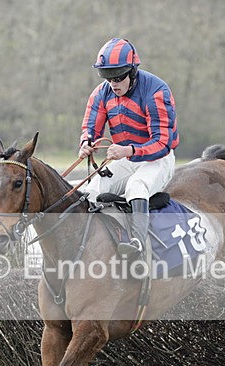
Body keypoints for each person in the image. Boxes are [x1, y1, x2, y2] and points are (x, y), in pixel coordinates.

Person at [78, 37, 179, 258]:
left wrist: (129, 150)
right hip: (126, 158)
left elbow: (162, 143)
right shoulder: (102, 93)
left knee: (136, 185)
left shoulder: (156, 91)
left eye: (118, 77)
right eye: (108, 78)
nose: (113, 84)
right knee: (91, 190)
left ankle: (137, 243)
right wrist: (86, 143)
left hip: (157, 159)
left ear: (132, 72)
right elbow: (91, 127)